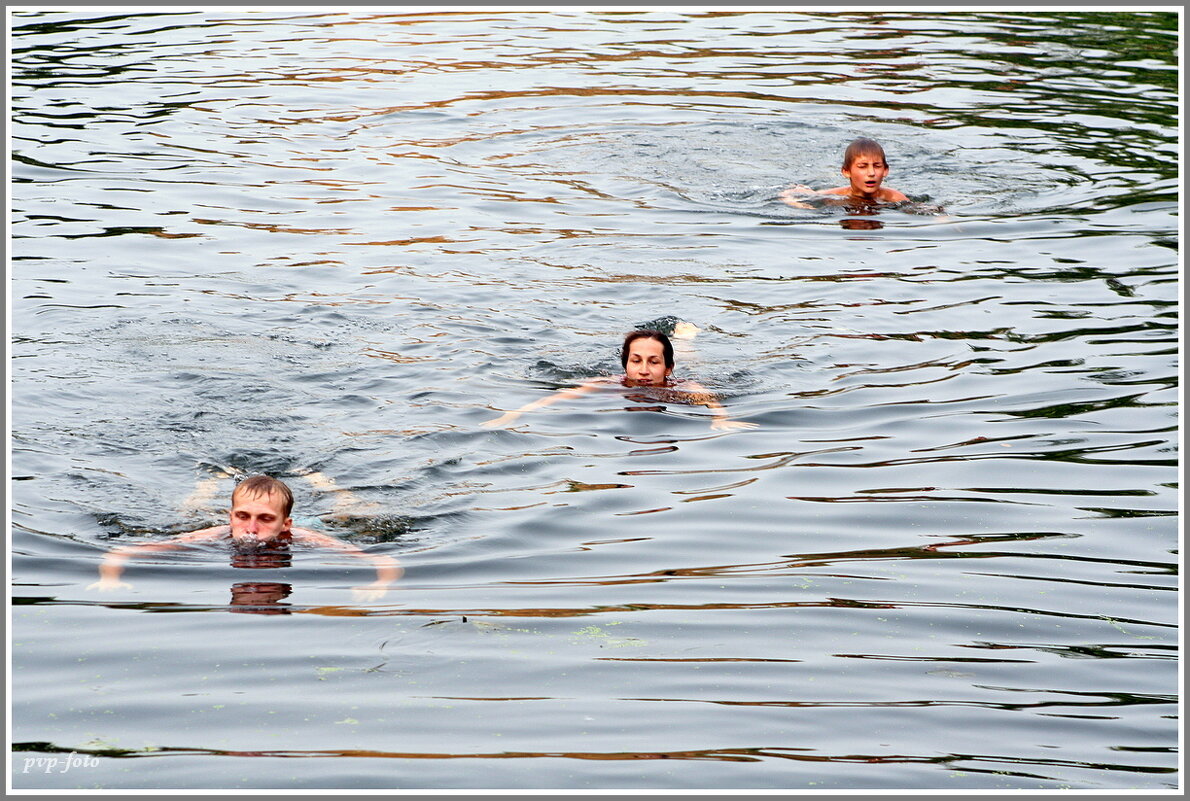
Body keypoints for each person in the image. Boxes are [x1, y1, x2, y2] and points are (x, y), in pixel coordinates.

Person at [87, 474, 402, 602]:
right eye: (243, 517)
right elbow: (120, 554)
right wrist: (110, 579)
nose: (251, 528)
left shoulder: (305, 536)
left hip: (314, 521)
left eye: (265, 519)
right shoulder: (213, 534)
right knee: (189, 510)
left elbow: (383, 562)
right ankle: (210, 480)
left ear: (285, 524)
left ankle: (319, 479)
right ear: (231, 517)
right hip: (210, 516)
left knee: (349, 511)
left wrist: (380, 584)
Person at [481, 329, 757, 432]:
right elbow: (557, 398)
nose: (644, 371)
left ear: (667, 368)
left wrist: (720, 419)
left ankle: (685, 339)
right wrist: (514, 414)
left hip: (686, 373)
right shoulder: (609, 384)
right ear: (625, 365)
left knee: (694, 360)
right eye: (636, 361)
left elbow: (710, 400)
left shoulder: (681, 387)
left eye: (654, 362)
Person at [781, 136, 909, 208]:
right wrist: (802, 206)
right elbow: (787, 194)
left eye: (877, 166)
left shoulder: (894, 198)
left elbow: (919, 209)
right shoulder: (834, 196)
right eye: (862, 166)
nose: (871, 173)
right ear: (846, 171)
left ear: (885, 170)